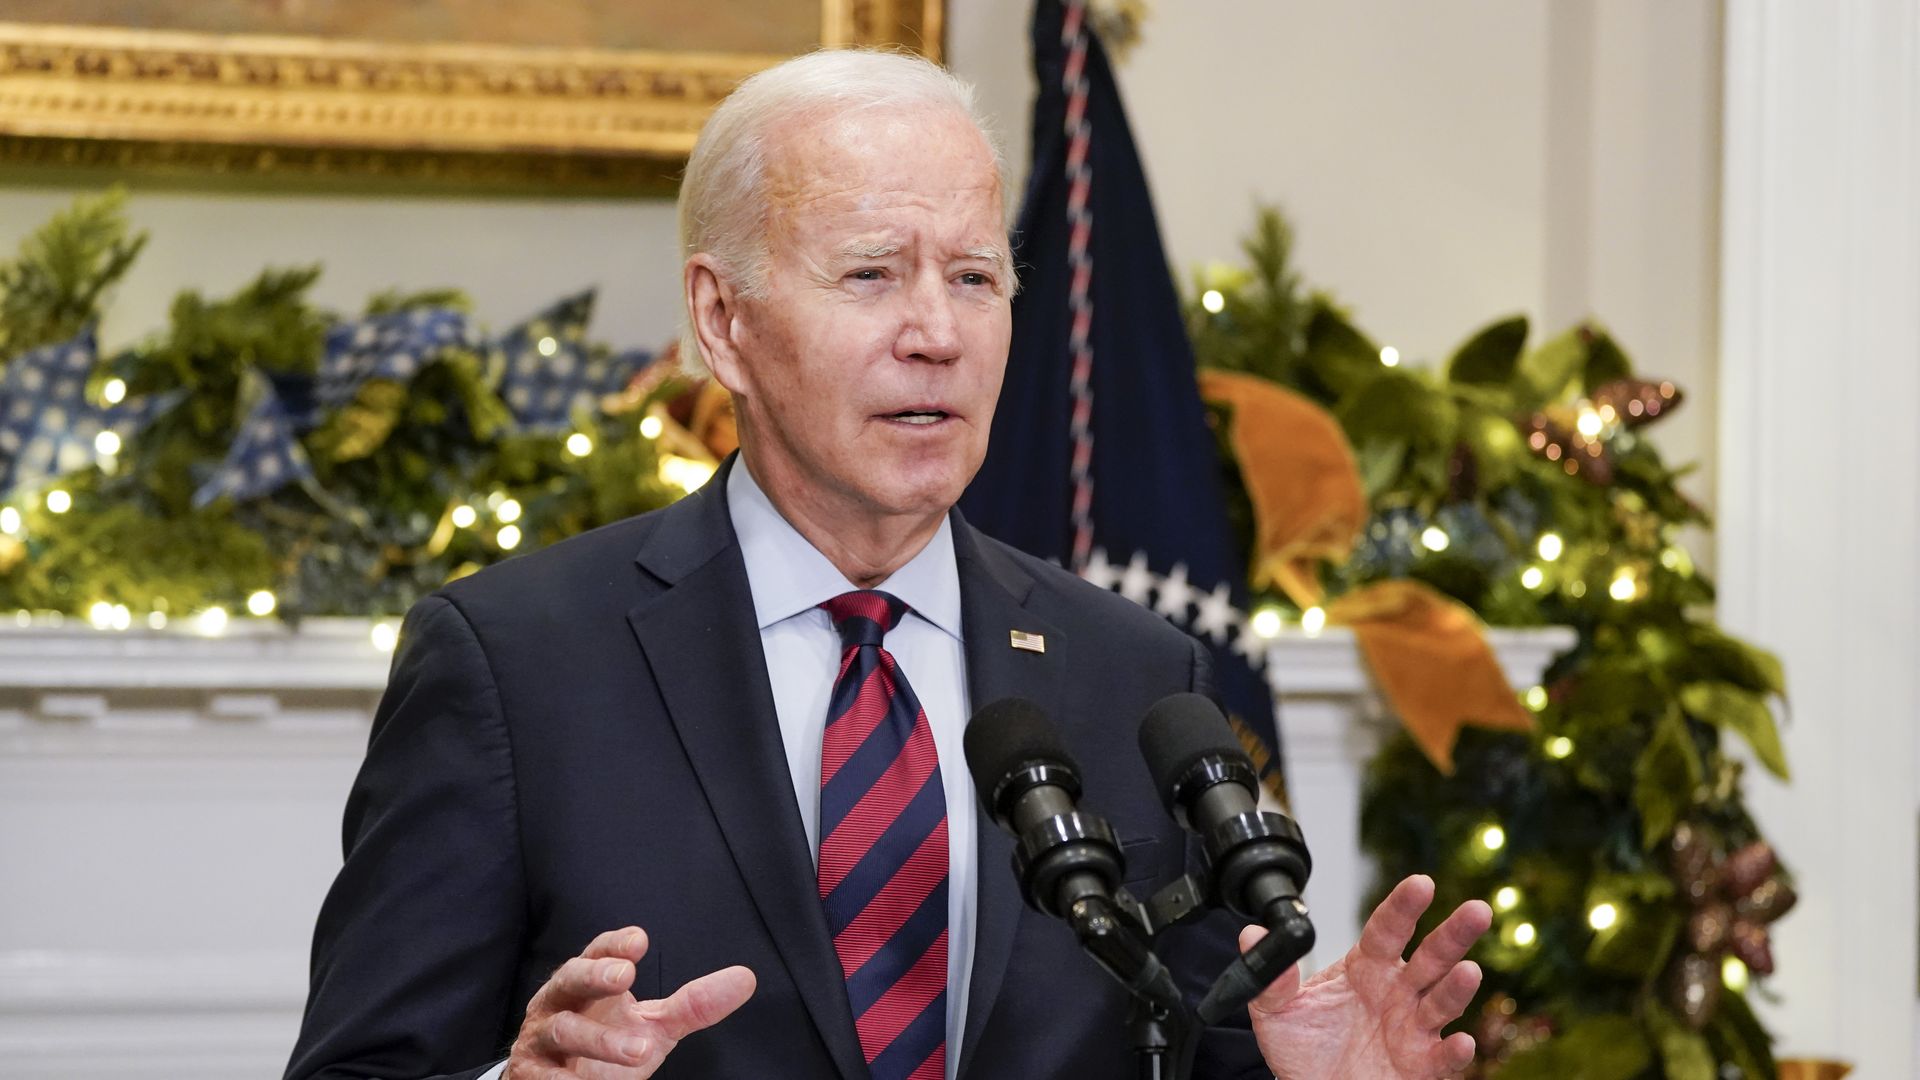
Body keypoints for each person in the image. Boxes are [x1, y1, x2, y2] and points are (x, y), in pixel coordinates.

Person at [285, 48, 1490, 1080]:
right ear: (723, 320)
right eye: (870, 274)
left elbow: (1185, 1045)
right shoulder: (516, 665)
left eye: (975, 278)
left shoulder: (1137, 675)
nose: (936, 334)